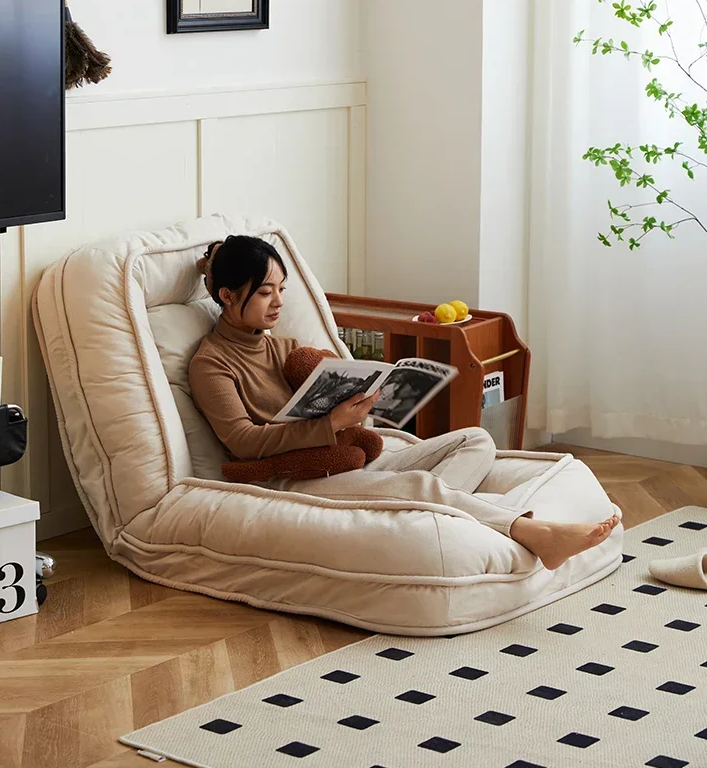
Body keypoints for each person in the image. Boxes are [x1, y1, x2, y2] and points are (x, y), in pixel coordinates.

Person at [188, 235, 620, 571]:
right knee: (422, 485)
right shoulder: (211, 364)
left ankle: (445, 516)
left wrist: (364, 401)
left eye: (281, 289)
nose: (279, 302)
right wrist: (332, 424)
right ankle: (531, 531)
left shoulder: (283, 345)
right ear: (227, 295)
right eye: (265, 292)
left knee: (477, 441)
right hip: (291, 476)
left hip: (342, 456)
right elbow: (243, 441)